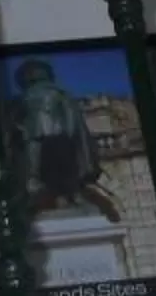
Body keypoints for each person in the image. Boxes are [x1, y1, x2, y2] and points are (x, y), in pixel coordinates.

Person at [6, 58, 100, 210]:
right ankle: (41, 194)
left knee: (63, 168)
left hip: (53, 135)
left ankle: (71, 194)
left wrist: (70, 134)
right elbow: (14, 119)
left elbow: (71, 115)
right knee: (36, 170)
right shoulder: (25, 97)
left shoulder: (59, 94)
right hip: (37, 136)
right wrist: (19, 129)